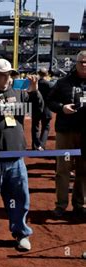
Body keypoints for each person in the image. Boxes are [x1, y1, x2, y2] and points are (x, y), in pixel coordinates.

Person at [0, 59, 44, 251]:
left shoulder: (17, 91)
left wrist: (35, 91)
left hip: (16, 157)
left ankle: (21, 233)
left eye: (9, 74)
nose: (7, 78)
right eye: (2, 74)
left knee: (20, 198)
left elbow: (38, 111)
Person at [48, 51, 86, 219]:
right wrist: (62, 108)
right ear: (76, 63)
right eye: (81, 62)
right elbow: (50, 101)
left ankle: (80, 204)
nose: (84, 65)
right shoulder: (63, 82)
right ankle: (61, 205)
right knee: (63, 169)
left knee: (83, 170)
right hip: (66, 131)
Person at [31, 68, 52, 151]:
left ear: (38, 73)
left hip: (35, 108)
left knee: (35, 126)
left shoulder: (34, 84)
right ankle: (41, 145)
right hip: (46, 108)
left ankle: (35, 145)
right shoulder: (50, 84)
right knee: (46, 127)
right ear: (47, 74)